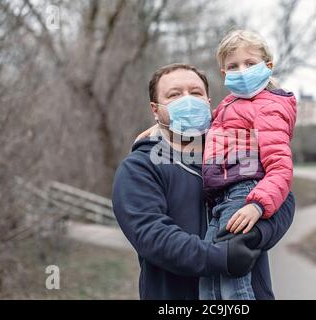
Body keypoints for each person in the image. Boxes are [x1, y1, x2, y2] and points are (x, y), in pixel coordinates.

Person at [112, 63, 296, 300]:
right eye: (174, 95)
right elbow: (151, 235)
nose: (188, 101)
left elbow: (283, 199)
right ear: (155, 110)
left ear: (209, 102)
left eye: (196, 93)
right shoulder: (140, 167)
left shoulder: (238, 149)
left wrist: (253, 236)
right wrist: (221, 256)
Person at [199, 30, 297, 300]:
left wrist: (257, 204)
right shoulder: (229, 104)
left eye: (249, 63)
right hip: (222, 196)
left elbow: (280, 167)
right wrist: (159, 131)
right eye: (233, 66)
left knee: (232, 281)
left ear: (267, 66)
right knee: (209, 277)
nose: (241, 71)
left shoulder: (269, 107)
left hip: (243, 191)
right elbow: (206, 132)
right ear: (223, 73)